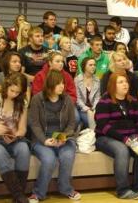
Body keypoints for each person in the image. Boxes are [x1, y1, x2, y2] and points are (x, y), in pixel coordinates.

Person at [95, 72, 138, 199]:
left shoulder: (133, 101)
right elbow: (103, 126)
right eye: (120, 82)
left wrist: (137, 136)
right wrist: (124, 139)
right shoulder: (104, 101)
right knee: (122, 150)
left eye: (126, 82)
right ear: (113, 85)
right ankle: (123, 190)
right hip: (106, 138)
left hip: (130, 137)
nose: (125, 84)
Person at [28, 70, 80, 202]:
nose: (62, 86)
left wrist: (62, 137)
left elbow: (71, 124)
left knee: (67, 156)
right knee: (49, 159)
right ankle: (38, 193)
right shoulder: (37, 99)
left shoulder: (67, 99)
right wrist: (45, 141)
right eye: (58, 84)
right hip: (42, 138)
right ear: (50, 84)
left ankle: (66, 188)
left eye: (63, 83)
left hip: (64, 138)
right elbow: (34, 124)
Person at [0, 73, 30, 203]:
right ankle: (19, 195)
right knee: (0, 152)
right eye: (12, 90)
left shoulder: (22, 103)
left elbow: (22, 129)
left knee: (24, 149)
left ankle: (18, 197)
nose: (14, 94)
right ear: (6, 87)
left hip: (13, 139)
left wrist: (15, 136)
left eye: (17, 92)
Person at [75, 57, 100, 129]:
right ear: (84, 66)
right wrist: (87, 109)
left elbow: (97, 97)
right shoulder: (77, 80)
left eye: (94, 65)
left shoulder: (97, 79)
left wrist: (94, 108)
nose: (93, 67)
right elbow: (78, 98)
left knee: (99, 120)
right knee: (89, 121)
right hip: (81, 108)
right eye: (90, 65)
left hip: (94, 107)